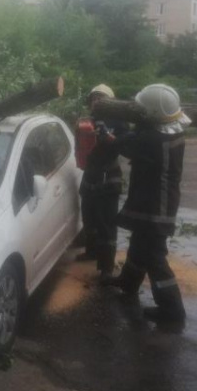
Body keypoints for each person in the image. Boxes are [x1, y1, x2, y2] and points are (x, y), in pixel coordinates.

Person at [101, 84, 190, 324]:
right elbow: (137, 138)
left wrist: (109, 137)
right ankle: (128, 283)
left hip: (156, 204)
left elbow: (127, 144)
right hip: (154, 198)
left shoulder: (151, 138)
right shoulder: (171, 129)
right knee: (140, 244)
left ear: (151, 113)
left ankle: (172, 310)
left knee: (154, 257)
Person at [75, 84, 126, 281]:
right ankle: (92, 252)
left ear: (110, 101)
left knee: (107, 224)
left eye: (101, 97)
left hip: (108, 175)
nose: (96, 101)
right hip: (89, 175)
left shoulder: (119, 122)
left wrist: (109, 138)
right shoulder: (87, 121)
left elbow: (126, 146)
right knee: (89, 218)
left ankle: (106, 268)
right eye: (94, 97)